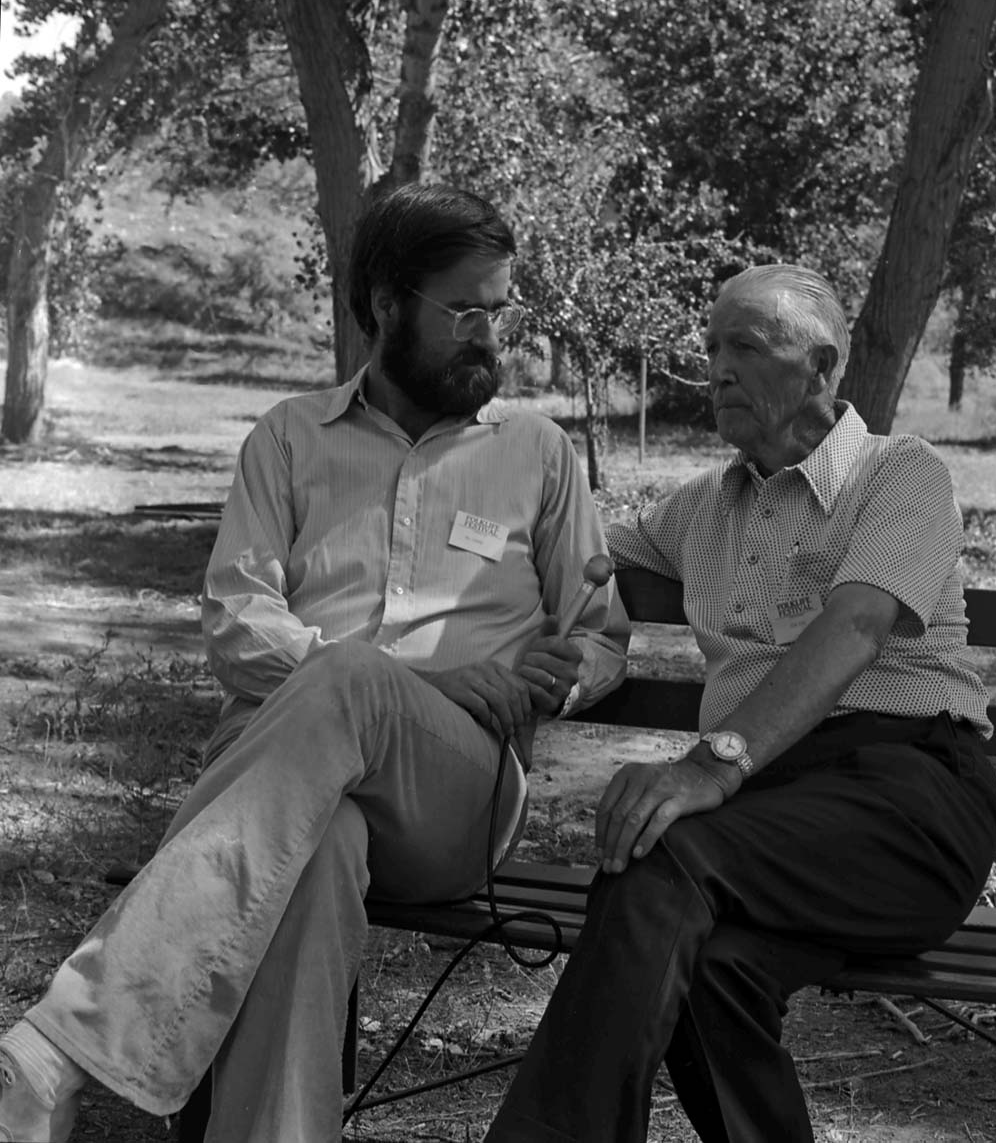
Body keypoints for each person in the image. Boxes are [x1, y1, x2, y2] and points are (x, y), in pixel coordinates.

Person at [0, 181, 628, 1143]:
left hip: (452, 795)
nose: (489, 338)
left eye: (497, 313)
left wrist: (571, 668)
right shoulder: (289, 440)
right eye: (463, 310)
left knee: (344, 680)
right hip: (283, 786)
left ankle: (55, 1053)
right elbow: (237, 622)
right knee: (321, 835)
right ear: (384, 303)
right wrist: (402, 678)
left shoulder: (538, 452)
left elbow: (601, 630)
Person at [484, 264, 996, 1143]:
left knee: (662, 853)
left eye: (747, 347)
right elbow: (574, 557)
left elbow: (855, 628)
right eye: (712, 347)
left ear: (823, 366)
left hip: (909, 802)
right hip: (769, 824)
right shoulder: (703, 508)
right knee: (701, 969)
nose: (717, 369)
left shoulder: (901, 475)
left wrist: (712, 761)